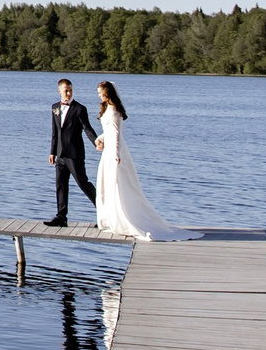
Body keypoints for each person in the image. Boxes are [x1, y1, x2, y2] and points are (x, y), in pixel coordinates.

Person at [91, 80, 193, 241]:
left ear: (107, 92)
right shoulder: (107, 109)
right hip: (109, 150)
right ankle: (111, 218)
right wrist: (100, 138)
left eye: (100, 92)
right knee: (108, 184)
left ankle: (124, 219)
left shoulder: (114, 110)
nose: (98, 95)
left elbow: (116, 133)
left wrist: (116, 154)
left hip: (114, 151)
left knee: (118, 184)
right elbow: (108, 131)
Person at [45, 78, 99, 227]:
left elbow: (87, 128)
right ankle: (61, 216)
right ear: (59, 91)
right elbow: (55, 132)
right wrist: (52, 152)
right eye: (66, 91)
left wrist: (96, 141)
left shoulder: (80, 109)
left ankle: (104, 213)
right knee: (60, 185)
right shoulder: (55, 107)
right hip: (60, 154)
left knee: (83, 183)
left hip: (74, 154)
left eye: (70, 90)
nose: (68, 93)